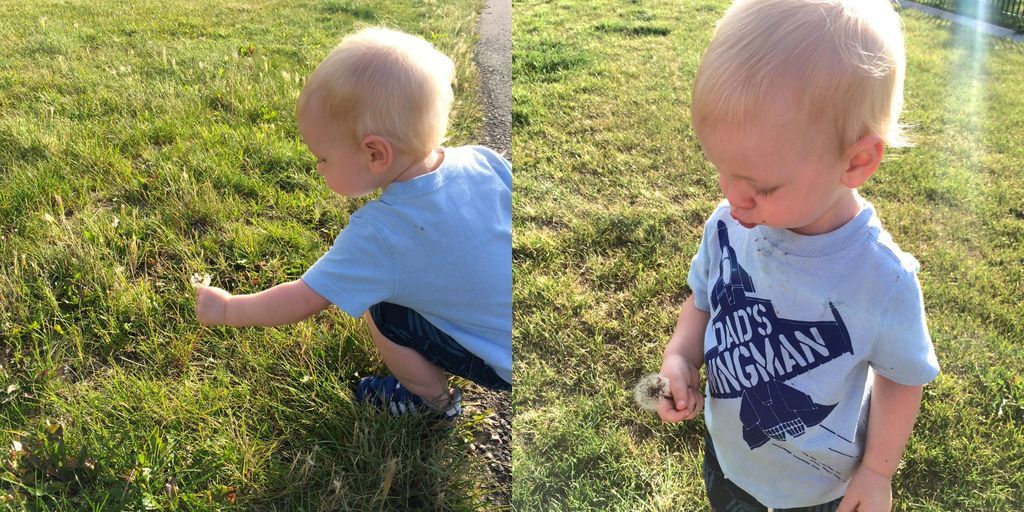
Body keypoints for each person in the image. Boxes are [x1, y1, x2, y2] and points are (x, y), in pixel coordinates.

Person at [657, 1, 939, 510]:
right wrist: (680, 355)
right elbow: (703, 300)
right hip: (730, 460)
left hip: (818, 490)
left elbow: (902, 377)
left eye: (761, 186)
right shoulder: (727, 226)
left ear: (856, 161)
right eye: (722, 169)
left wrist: (877, 473)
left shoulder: (882, 279)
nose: (732, 196)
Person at [194, 27, 512, 420]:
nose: (317, 167)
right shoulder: (483, 159)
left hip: (501, 364)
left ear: (375, 153)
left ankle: (434, 403)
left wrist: (227, 310)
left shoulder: (380, 233)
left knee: (382, 309)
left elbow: (304, 297)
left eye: (323, 157)